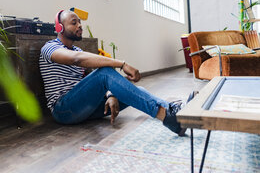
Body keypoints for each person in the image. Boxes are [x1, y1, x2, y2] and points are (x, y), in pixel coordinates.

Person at [39, 10, 192, 136]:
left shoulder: (77, 50)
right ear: (59, 28)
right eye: (74, 23)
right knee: (105, 71)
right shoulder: (50, 47)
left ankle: (172, 110)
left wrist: (110, 95)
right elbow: (77, 60)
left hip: (82, 108)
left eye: (80, 22)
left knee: (140, 91)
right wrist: (122, 64)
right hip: (63, 110)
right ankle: (168, 117)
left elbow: (92, 83)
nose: (79, 25)